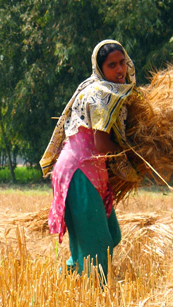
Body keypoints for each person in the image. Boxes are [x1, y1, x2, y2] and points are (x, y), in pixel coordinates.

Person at [40, 39, 136, 283]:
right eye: (112, 65)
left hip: (86, 169)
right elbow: (102, 143)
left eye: (122, 62)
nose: (119, 70)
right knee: (97, 244)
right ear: (100, 69)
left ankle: (67, 283)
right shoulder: (101, 94)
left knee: (109, 235)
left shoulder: (104, 90)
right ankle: (96, 294)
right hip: (79, 172)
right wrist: (133, 156)